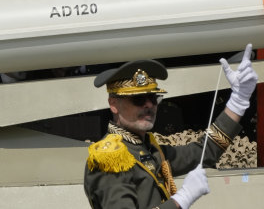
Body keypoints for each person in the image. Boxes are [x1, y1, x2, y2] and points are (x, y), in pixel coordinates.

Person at [83, 43, 258, 209]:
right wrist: (180, 200)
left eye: (153, 98)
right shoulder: (110, 159)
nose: (149, 105)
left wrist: (238, 101)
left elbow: (204, 151)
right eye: (138, 99)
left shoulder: (148, 148)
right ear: (113, 104)